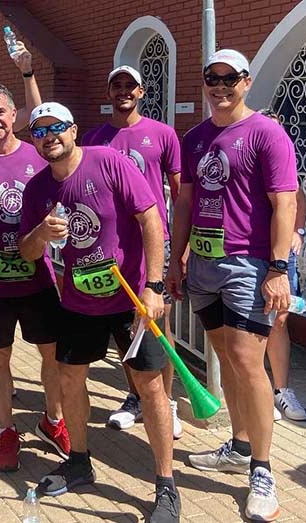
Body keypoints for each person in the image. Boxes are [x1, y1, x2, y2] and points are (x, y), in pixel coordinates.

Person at [18, 102, 180, 521]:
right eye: (40, 130)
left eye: (58, 127)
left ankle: (166, 485)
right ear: (33, 139)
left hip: (131, 298)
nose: (50, 135)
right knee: (70, 379)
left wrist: (154, 286)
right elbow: (26, 250)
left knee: (150, 388)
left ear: (74, 130)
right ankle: (79, 460)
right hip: (77, 302)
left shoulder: (109, 162)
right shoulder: (37, 190)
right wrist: (41, 232)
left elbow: (150, 220)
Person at [167, 50, 298, 522]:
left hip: (249, 263)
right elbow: (184, 201)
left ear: (245, 81)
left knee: (247, 362)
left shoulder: (266, 132)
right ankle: (241, 445)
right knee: (226, 359)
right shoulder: (196, 137)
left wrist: (278, 268)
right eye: (211, 78)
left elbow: (284, 203)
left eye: (229, 79)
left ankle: (263, 470)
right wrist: (176, 259)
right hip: (203, 263)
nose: (219, 87)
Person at [0, 84, 69, 472]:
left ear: (14, 116)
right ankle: (7, 431)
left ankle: (53, 420)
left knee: (53, 355)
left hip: (37, 278)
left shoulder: (37, 157)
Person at [81, 65, 185, 438]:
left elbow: (179, 193)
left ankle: (166, 401)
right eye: (117, 86)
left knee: (158, 324)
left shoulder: (163, 134)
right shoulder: (94, 138)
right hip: (112, 246)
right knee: (125, 327)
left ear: (141, 92)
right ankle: (136, 397)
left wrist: (179, 251)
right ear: (108, 93)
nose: (123, 91)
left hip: (153, 243)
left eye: (130, 86)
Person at [257, 109, 306, 422]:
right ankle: (259, 389)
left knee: (279, 319)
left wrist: (297, 232)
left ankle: (281, 390)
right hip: (248, 251)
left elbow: (298, 199)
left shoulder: (285, 159)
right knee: (249, 321)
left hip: (281, 255)